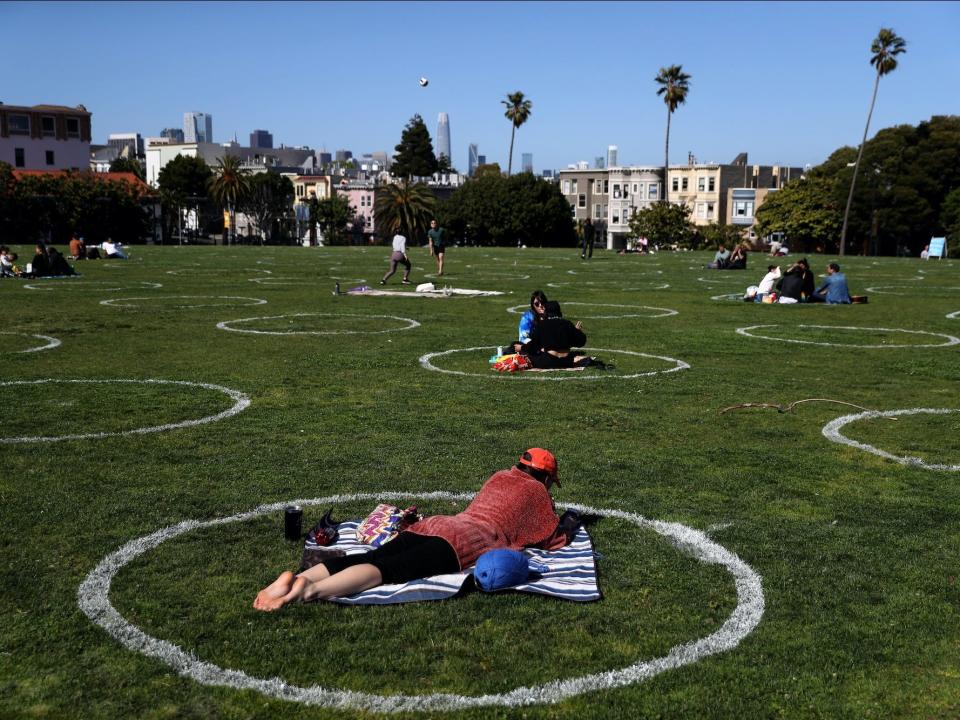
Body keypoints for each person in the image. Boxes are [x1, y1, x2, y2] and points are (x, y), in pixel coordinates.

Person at [253, 449, 577, 611]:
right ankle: (305, 592)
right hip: (465, 541)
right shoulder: (537, 493)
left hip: (439, 523)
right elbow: (551, 537)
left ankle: (299, 578)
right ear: (546, 479)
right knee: (385, 570)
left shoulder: (499, 476)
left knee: (374, 555)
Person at [521, 301, 590, 369]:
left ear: (547, 311)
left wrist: (522, 348)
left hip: (549, 361)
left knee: (528, 356)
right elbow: (581, 342)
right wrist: (577, 331)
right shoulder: (567, 324)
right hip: (567, 362)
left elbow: (533, 347)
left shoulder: (542, 325)